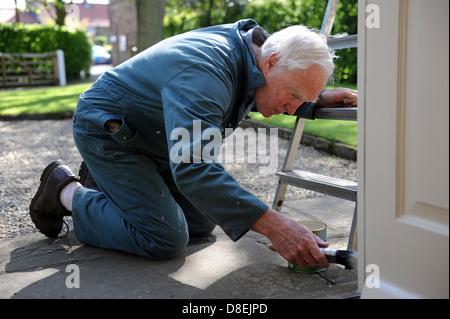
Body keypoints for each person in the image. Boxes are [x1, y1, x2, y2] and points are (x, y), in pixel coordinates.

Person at [29, 19, 357, 270]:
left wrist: (313, 101)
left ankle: (112, 188)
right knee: (165, 238)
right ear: (270, 63)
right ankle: (66, 191)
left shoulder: (258, 54)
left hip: (155, 137)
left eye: (301, 99)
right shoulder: (206, 71)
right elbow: (194, 169)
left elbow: (262, 89)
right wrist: (276, 226)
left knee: (202, 222)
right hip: (111, 134)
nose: (292, 107)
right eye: (295, 96)